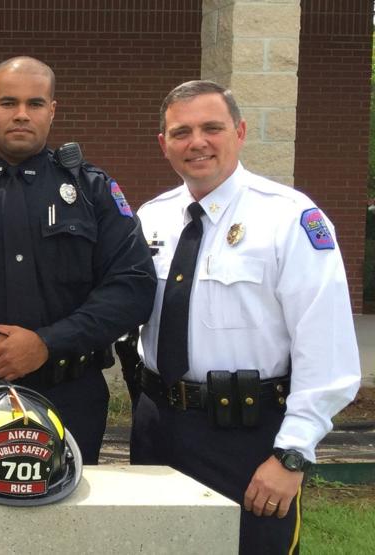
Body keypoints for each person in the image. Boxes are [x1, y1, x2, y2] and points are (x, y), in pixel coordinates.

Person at [132, 80, 360, 553]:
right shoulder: (151, 219)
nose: (197, 142)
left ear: (239, 131)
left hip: (248, 437)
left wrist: (291, 455)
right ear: (163, 144)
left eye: (211, 128)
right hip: (157, 428)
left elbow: (326, 349)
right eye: (181, 132)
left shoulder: (289, 219)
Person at [0, 56, 156, 465]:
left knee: (64, 523)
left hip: (68, 395)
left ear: (52, 111)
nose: (21, 114)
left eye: (35, 104)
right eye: (8, 103)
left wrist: (46, 343)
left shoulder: (92, 190)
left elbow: (133, 287)